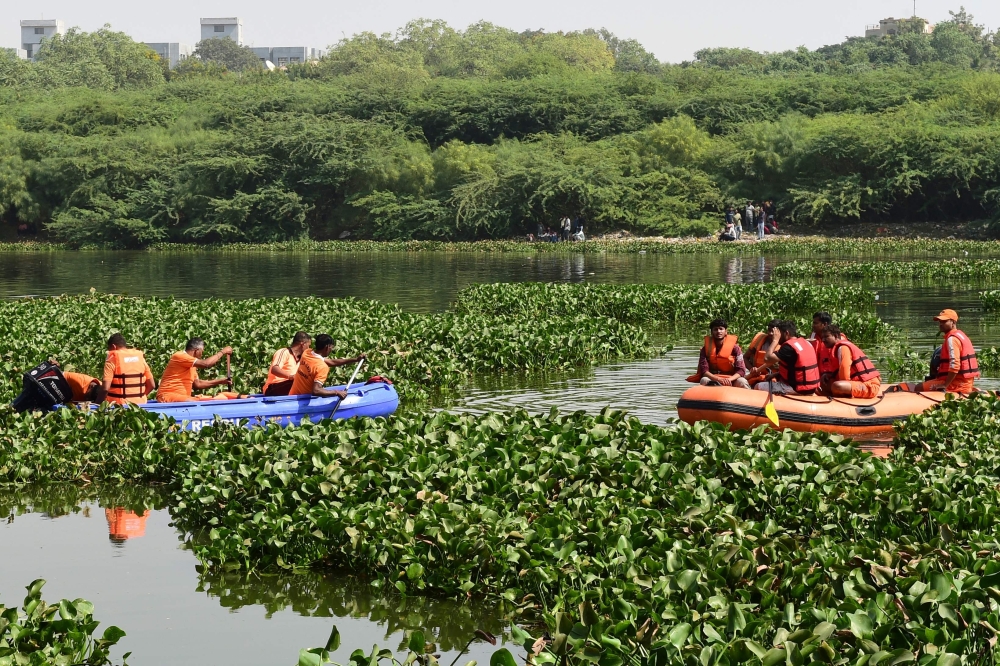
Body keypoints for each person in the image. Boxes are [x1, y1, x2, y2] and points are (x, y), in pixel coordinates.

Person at [893, 309, 979, 394]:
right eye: (939, 321)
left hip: (956, 385)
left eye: (944, 321)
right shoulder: (962, 335)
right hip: (965, 383)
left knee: (918, 387)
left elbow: (955, 366)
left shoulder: (952, 339)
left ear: (953, 322)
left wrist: (945, 385)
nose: (940, 324)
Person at [156, 338, 238, 403]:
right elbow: (206, 364)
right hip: (167, 395)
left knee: (216, 397)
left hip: (182, 397)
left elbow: (198, 384)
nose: (202, 354)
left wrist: (220, 381)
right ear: (196, 350)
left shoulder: (192, 363)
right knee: (196, 400)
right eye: (201, 351)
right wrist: (222, 352)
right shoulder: (179, 356)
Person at [754, 320, 821, 395]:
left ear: (786, 333)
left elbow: (767, 359)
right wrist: (776, 374)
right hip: (810, 388)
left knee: (758, 386)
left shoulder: (788, 347)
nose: (777, 336)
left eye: (779, 334)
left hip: (795, 388)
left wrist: (775, 340)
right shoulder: (806, 342)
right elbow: (796, 370)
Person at [289, 334, 367, 398]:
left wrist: (355, 359)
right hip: (303, 400)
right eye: (331, 347)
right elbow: (316, 390)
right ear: (327, 347)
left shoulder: (307, 352)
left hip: (291, 395)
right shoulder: (322, 367)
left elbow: (331, 362)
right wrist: (336, 392)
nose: (331, 350)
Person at [818, 325, 881, 398]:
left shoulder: (843, 348)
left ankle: (844, 397)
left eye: (826, 337)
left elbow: (844, 373)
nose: (823, 340)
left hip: (869, 385)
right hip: (857, 382)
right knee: (820, 382)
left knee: (837, 386)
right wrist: (828, 376)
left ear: (835, 336)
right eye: (822, 337)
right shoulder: (838, 348)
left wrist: (844, 386)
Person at [686, 319, 751, 388]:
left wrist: (728, 380)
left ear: (726, 331)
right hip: (714, 379)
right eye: (715, 329)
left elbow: (741, 371)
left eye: (721, 329)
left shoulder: (735, 348)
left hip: (732, 379)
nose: (718, 331)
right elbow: (704, 371)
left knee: (742, 381)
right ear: (711, 332)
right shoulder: (705, 349)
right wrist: (718, 379)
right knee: (704, 380)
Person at [103, 333, 156, 405]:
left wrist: (98, 405)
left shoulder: (112, 359)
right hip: (140, 405)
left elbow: (105, 389)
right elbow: (152, 385)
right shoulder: (140, 358)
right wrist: (140, 397)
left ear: (113, 346)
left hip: (119, 406)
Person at [262, 331, 312, 396]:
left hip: (289, 387)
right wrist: (291, 377)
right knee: (297, 381)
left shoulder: (302, 358)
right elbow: (275, 369)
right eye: (308, 346)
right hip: (272, 387)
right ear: (303, 344)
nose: (308, 349)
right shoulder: (284, 352)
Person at [744, 318, 782, 385]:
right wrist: (751, 369)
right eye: (769, 330)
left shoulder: (784, 346)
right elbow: (745, 357)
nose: (770, 333)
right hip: (755, 376)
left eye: (773, 331)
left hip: (772, 378)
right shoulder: (760, 340)